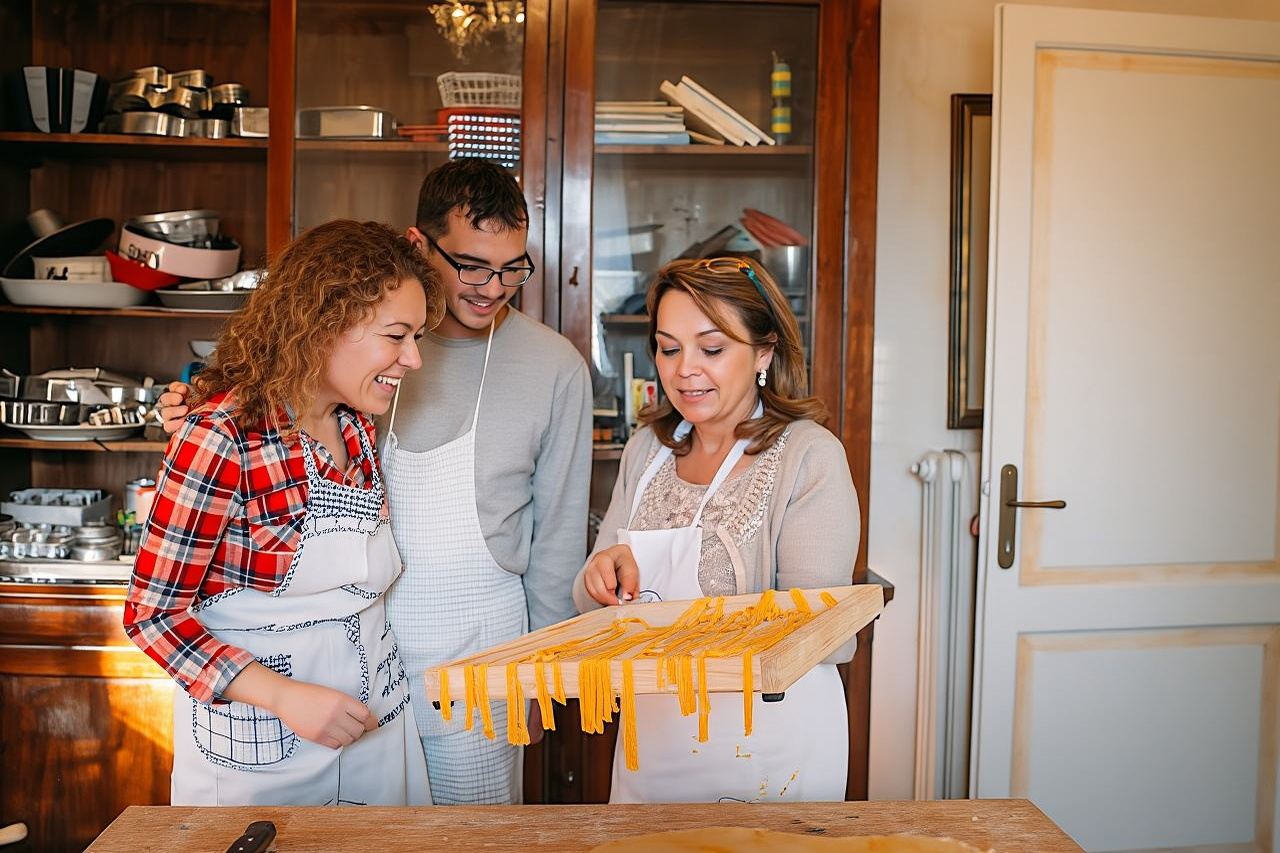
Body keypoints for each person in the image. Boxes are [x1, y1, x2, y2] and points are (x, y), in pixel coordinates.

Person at [158, 159, 593, 805]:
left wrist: (543, 674)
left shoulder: (548, 366)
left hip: (471, 653)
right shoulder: (352, 366)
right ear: (417, 246)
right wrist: (199, 418)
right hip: (349, 665)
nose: (492, 287)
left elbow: (558, 535)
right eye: (472, 265)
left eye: (512, 268)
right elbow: (255, 447)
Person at [124, 220, 443, 807]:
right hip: (261, 747)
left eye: (417, 337)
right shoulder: (221, 436)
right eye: (397, 336)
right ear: (325, 325)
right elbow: (152, 618)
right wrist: (283, 697)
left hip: (378, 724)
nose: (414, 360)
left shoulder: (356, 427)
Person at [575, 255, 860, 804]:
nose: (684, 370)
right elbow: (588, 609)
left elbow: (819, 634)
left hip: (770, 742)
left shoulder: (808, 456)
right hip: (655, 738)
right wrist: (600, 576)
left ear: (764, 352)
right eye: (668, 347)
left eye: (711, 348)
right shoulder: (646, 452)